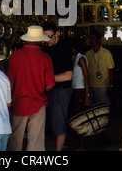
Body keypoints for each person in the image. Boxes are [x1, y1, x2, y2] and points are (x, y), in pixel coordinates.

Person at [7, 25, 55, 151]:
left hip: (19, 103)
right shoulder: (45, 58)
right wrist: (38, 88)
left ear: (27, 39)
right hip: (38, 104)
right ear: (41, 40)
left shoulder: (16, 56)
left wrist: (9, 101)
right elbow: (50, 85)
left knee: (15, 139)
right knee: (36, 141)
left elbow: (10, 82)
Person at [42, 21, 73, 151]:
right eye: (44, 37)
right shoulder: (47, 49)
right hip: (49, 89)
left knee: (59, 122)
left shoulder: (64, 48)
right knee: (50, 122)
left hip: (60, 90)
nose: (46, 40)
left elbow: (68, 75)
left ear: (57, 34)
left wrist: (47, 80)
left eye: (49, 36)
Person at [66, 37, 90, 150]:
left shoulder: (81, 59)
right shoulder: (76, 58)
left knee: (80, 119)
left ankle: (81, 145)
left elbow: (86, 77)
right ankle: (72, 143)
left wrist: (87, 95)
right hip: (76, 90)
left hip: (81, 91)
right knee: (75, 119)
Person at [85, 29, 115, 105]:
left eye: (93, 39)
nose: (91, 41)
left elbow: (111, 70)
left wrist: (110, 85)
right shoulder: (87, 54)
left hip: (103, 87)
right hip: (91, 86)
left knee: (103, 108)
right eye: (90, 39)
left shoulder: (106, 53)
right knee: (92, 110)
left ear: (98, 40)